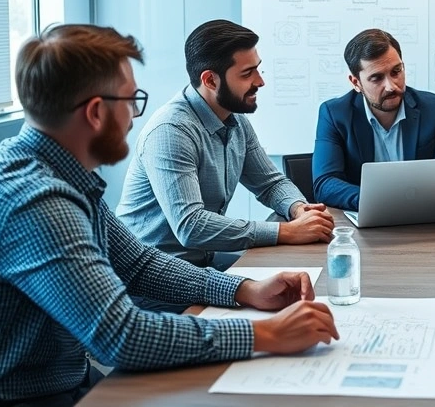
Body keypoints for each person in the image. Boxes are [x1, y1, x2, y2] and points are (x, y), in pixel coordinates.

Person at [0, 24, 338, 406]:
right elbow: (120, 336)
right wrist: (263, 334)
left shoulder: (56, 171)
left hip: (60, 377)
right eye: (131, 101)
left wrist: (243, 290)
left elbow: (139, 264)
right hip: (10, 395)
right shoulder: (35, 200)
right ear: (96, 112)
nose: (135, 117)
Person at [117, 19, 334, 277]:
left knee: (297, 282)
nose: (260, 81)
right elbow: (191, 226)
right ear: (210, 80)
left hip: (202, 262)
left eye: (258, 68)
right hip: (154, 277)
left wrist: (299, 209)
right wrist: (287, 231)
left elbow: (270, 184)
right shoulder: (170, 131)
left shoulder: (235, 120)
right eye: (247, 73)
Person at [312, 28, 435, 212]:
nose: (390, 86)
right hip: (365, 226)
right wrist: (377, 201)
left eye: (396, 72)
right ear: (356, 83)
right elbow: (325, 184)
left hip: (423, 223)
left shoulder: (434, 108)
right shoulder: (334, 114)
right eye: (377, 78)